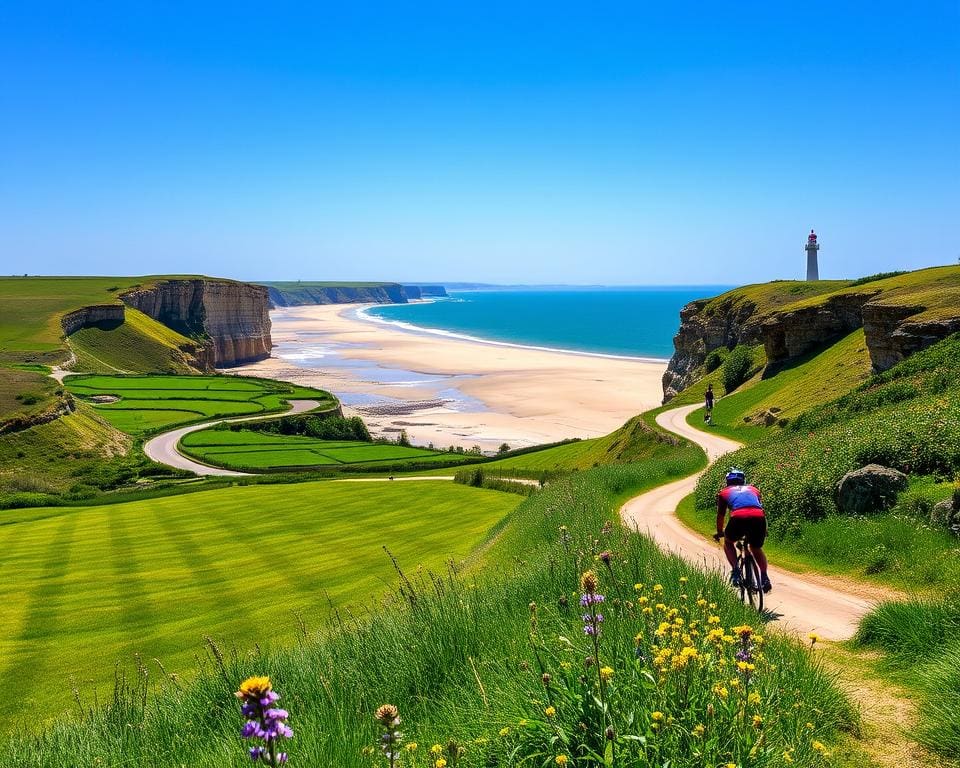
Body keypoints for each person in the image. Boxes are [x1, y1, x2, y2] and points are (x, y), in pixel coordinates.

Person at [713, 468, 772, 593]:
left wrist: (719, 532)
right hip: (758, 518)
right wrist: (764, 529)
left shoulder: (723, 493)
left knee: (728, 542)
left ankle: (735, 570)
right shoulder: (754, 489)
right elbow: (758, 509)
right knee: (756, 548)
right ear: (743, 480)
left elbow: (721, 516)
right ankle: (764, 577)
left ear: (727, 481)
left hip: (738, 518)